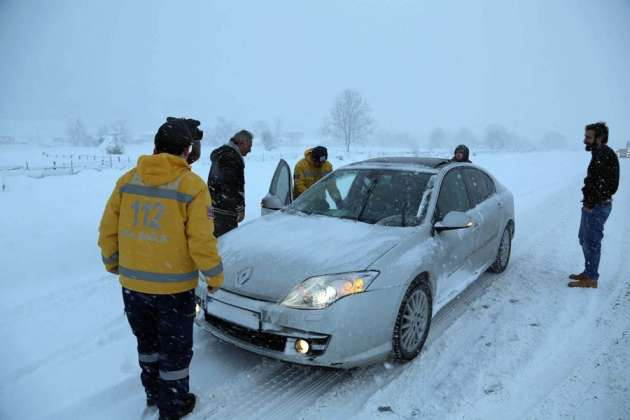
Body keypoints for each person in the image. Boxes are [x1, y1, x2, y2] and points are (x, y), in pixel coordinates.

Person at [98, 117, 224, 420]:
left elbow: (107, 230)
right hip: (174, 290)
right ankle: (173, 406)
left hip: (133, 288)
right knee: (175, 353)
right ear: (187, 150)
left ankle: (154, 393)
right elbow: (201, 241)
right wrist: (214, 276)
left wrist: (113, 262)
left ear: (154, 147)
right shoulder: (192, 186)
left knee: (148, 346)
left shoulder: (128, 181)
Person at [568, 122, 619, 288]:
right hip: (593, 205)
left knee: (591, 241)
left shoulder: (604, 154)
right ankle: (588, 271)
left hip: (598, 206)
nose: (585, 140)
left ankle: (592, 278)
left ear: (600, 138)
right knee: (583, 238)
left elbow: (605, 185)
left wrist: (590, 203)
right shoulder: (598, 153)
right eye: (585, 136)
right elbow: (594, 182)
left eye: (588, 137)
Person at [207, 129, 253, 237]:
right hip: (225, 212)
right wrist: (240, 209)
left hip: (211, 207)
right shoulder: (232, 158)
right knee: (225, 243)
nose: (250, 150)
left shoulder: (221, 155)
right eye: (249, 146)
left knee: (212, 239)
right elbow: (233, 186)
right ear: (242, 143)